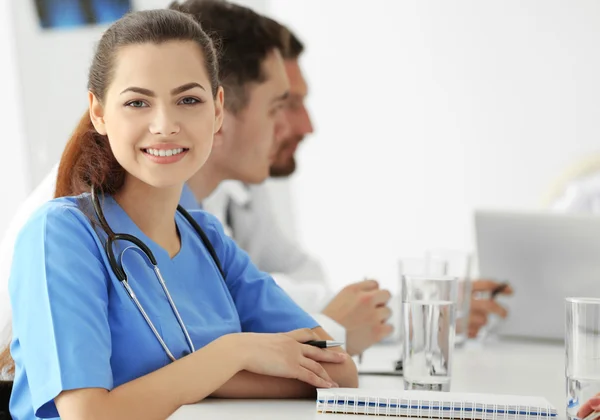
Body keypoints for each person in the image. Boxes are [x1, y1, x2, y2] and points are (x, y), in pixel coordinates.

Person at [1, 9, 357, 420]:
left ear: (217, 109)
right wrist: (233, 352)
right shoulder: (61, 235)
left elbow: (337, 370)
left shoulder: (207, 238)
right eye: (137, 102)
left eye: (188, 100)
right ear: (98, 113)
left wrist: (193, 377)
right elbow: (89, 414)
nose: (165, 125)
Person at [202, 23, 513, 344]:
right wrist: (419, 310)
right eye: (281, 106)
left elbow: (290, 281)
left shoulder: (242, 190)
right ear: (220, 109)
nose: (304, 126)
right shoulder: (175, 213)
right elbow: (242, 302)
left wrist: (404, 309)